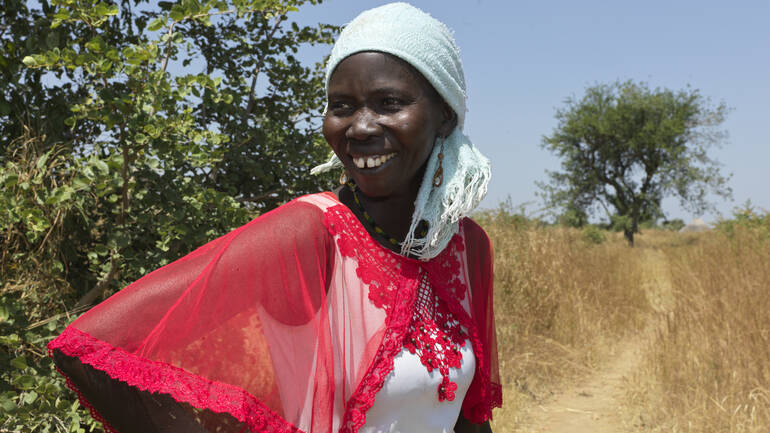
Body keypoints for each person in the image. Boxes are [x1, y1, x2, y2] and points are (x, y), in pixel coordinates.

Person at [48, 3, 501, 432]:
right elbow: (89, 348)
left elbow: (470, 417)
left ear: (444, 115)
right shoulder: (312, 232)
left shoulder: (465, 246)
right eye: (341, 106)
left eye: (388, 103)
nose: (360, 127)